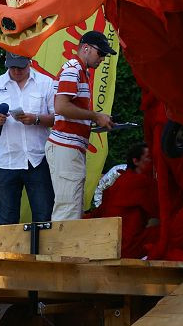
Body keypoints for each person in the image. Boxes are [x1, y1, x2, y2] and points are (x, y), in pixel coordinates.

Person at [0, 52, 56, 224]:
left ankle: (40, 252)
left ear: (30, 62)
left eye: (21, 66)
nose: (16, 71)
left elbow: (58, 118)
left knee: (44, 218)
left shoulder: (45, 83)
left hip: (38, 159)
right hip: (6, 161)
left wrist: (36, 119)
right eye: (12, 67)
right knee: (5, 222)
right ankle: (8, 252)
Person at [45, 31, 116, 221]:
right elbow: (62, 107)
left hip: (68, 146)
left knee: (71, 206)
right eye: (101, 53)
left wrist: (95, 121)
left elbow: (67, 111)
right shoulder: (73, 69)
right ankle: (60, 251)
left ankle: (62, 250)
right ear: (86, 48)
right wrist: (95, 116)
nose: (102, 58)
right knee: (68, 208)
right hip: (66, 147)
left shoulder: (79, 70)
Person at [92, 142, 159, 258]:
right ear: (136, 161)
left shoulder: (120, 180)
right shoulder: (140, 182)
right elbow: (159, 211)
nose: (153, 162)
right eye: (149, 158)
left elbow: (99, 212)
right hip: (128, 247)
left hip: (107, 244)